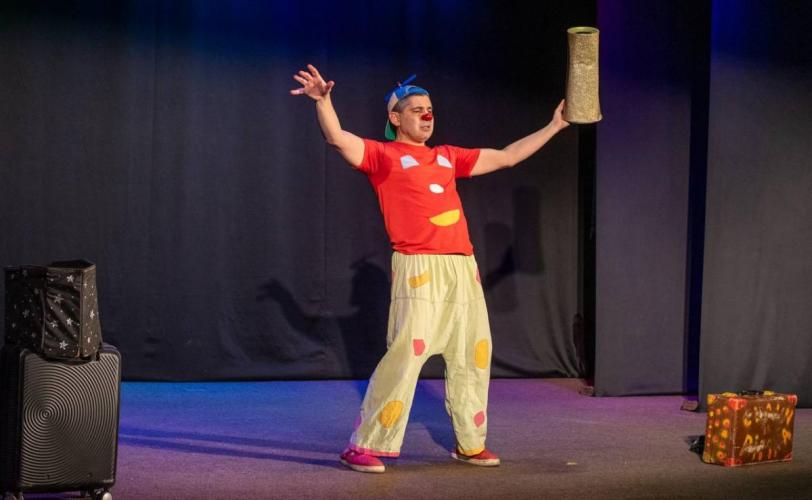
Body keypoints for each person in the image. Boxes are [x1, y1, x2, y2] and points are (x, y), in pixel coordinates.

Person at [291, 64, 569, 473]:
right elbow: (337, 138)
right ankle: (366, 443)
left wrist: (555, 125)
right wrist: (323, 101)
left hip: (463, 268)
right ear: (395, 117)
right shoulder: (383, 156)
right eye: (417, 109)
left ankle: (470, 442)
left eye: (430, 109)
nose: (426, 115)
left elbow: (508, 157)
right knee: (406, 354)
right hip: (418, 266)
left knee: (472, 355)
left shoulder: (447, 157)